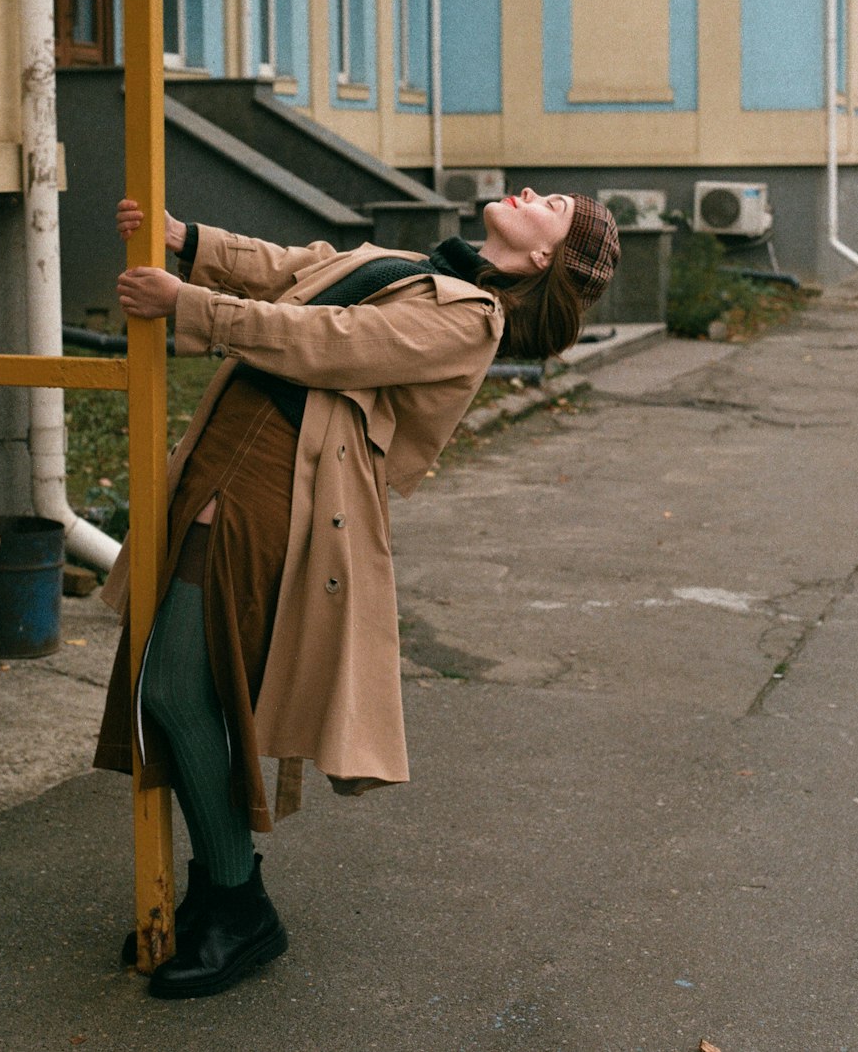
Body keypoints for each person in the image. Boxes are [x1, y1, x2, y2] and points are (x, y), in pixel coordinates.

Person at [94, 190, 620, 1000]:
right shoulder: (426, 269)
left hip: (274, 476)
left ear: (549, 255)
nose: (528, 193)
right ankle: (215, 893)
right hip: (230, 452)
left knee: (177, 684)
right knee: (177, 682)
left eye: (551, 205)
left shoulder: (470, 318)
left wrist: (194, 307)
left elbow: (334, 343)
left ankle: (238, 903)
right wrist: (187, 240)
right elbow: (298, 269)